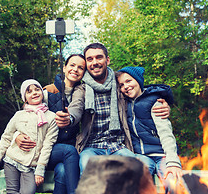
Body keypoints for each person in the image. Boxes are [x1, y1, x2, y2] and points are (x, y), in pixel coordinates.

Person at [55, 43, 171, 175]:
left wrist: (163, 102)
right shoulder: (82, 89)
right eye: (90, 59)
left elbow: (139, 92)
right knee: (88, 168)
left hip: (119, 146)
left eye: (99, 57)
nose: (95, 62)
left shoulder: (119, 83)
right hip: (91, 146)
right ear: (87, 63)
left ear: (107, 60)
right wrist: (69, 118)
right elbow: (76, 107)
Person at [15, 54, 86, 194]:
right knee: (69, 151)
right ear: (64, 68)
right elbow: (22, 119)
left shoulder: (83, 94)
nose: (75, 69)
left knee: (61, 171)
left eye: (81, 67)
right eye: (72, 65)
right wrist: (17, 136)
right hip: (43, 149)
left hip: (65, 156)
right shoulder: (47, 92)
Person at [116, 66, 182, 192]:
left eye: (129, 81)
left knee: (173, 185)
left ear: (138, 80)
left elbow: (166, 133)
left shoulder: (154, 102)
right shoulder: (123, 104)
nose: (126, 86)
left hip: (161, 154)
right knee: (136, 185)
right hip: (140, 156)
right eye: (121, 85)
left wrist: (172, 161)